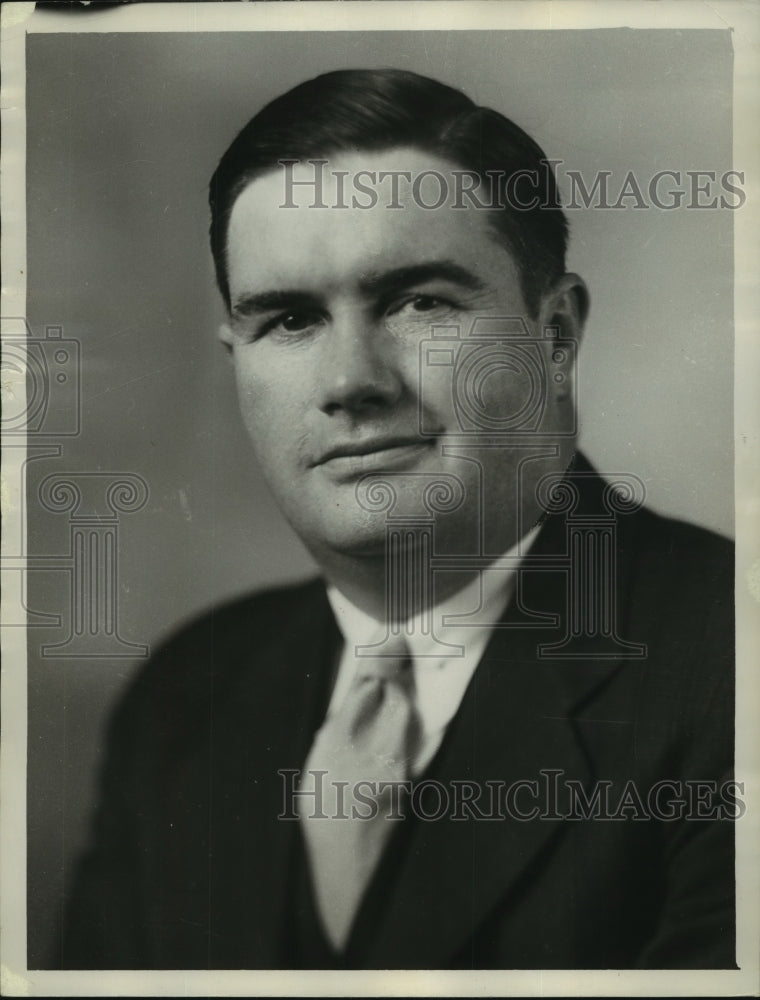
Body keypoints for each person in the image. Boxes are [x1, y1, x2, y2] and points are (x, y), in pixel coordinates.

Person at [59, 69, 735, 970]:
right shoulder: (185, 699)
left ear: (557, 334)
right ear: (237, 359)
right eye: (291, 319)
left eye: (420, 303)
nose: (350, 382)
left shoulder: (734, 662)